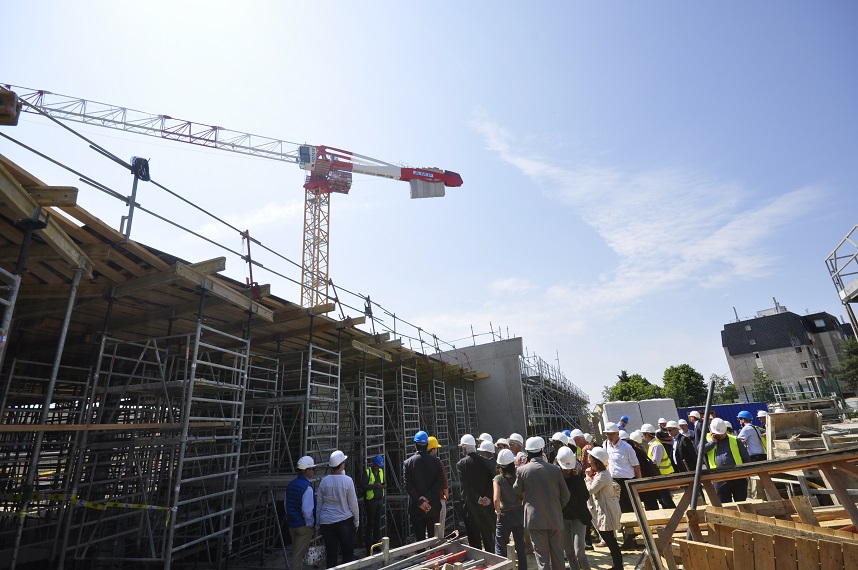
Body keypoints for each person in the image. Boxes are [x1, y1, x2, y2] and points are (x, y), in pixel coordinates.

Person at [513, 436, 570, 570]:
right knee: (558, 556)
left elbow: (516, 490)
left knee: (542, 557)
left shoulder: (522, 470)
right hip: (554, 518)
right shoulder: (555, 469)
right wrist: (556, 507)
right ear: (542, 450)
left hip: (534, 520)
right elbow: (566, 495)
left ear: (528, 452)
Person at [317, 450, 359, 568]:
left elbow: (319, 504)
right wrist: (356, 521)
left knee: (331, 555)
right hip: (344, 522)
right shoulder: (347, 481)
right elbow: (353, 504)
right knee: (347, 554)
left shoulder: (324, 481)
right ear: (341, 465)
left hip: (326, 523)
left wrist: (318, 524)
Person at [602, 422, 641, 549]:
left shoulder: (626, 447)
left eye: (611, 434)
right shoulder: (606, 445)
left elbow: (636, 466)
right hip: (613, 482)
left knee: (629, 511)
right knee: (618, 511)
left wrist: (639, 483)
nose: (609, 436)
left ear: (617, 434)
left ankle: (632, 539)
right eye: (607, 434)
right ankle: (627, 538)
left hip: (626, 482)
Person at [584, 447, 624, 570]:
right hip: (605, 509)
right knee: (610, 539)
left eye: (591, 461)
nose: (589, 463)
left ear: (597, 462)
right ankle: (617, 565)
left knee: (610, 540)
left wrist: (587, 477)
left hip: (607, 511)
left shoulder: (602, 476)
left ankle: (618, 565)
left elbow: (590, 490)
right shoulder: (601, 474)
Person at [403, 430, 443, 541]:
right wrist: (428, 498)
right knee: (433, 541)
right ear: (427, 445)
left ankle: (421, 556)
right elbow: (439, 483)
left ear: (415, 445)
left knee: (420, 541)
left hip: (416, 508)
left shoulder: (408, 463)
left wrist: (420, 502)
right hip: (433, 506)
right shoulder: (436, 462)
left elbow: (408, 485)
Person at [556, 446, 592, 570]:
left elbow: (585, 496)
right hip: (564, 517)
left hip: (579, 517)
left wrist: (577, 478)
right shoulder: (556, 477)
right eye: (565, 469)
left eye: (569, 469)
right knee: (569, 552)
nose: (567, 471)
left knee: (579, 552)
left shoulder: (577, 475)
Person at [457, 434, 495, 550]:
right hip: (486, 508)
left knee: (475, 542)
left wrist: (478, 498)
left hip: (471, 508)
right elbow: (492, 482)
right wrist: (487, 498)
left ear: (464, 448)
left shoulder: (461, 464)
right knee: (489, 539)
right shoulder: (485, 461)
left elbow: (465, 488)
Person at [492, 448, 527, 570]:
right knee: (520, 546)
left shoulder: (498, 479)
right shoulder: (518, 475)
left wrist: (497, 512)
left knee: (500, 547)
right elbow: (523, 494)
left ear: (500, 465)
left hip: (505, 515)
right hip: (518, 512)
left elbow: (496, 498)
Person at [703, 418, 750, 503]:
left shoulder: (735, 439)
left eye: (722, 433)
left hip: (738, 476)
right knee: (724, 505)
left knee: (741, 503)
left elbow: (746, 457)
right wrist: (712, 442)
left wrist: (746, 474)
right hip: (718, 477)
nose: (721, 435)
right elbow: (700, 451)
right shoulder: (707, 439)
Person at [285, 455, 316, 570]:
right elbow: (307, 511)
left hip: (292, 524)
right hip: (303, 526)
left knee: (297, 553)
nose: (313, 471)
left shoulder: (291, 484)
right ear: (307, 471)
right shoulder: (307, 488)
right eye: (312, 469)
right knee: (297, 557)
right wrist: (310, 523)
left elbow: (286, 504)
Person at [640, 424, 676, 509]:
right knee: (662, 499)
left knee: (666, 499)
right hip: (659, 475)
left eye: (643, 434)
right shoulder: (654, 444)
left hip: (661, 476)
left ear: (646, 434)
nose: (643, 437)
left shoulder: (656, 445)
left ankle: (676, 515)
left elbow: (655, 463)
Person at [360, 455, 385, 551]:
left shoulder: (381, 472)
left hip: (379, 500)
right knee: (370, 523)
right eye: (377, 465)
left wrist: (383, 485)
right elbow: (363, 486)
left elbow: (382, 482)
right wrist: (374, 486)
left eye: (380, 466)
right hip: (370, 501)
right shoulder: (367, 472)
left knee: (377, 523)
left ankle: (376, 544)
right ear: (373, 464)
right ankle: (368, 545)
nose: (378, 467)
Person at [427, 436, 449, 534]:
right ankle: (438, 548)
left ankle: (427, 548)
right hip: (438, 498)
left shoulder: (420, 463)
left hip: (424, 500)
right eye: (436, 448)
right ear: (433, 449)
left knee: (428, 530)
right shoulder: (438, 463)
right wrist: (446, 495)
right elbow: (444, 482)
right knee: (439, 528)